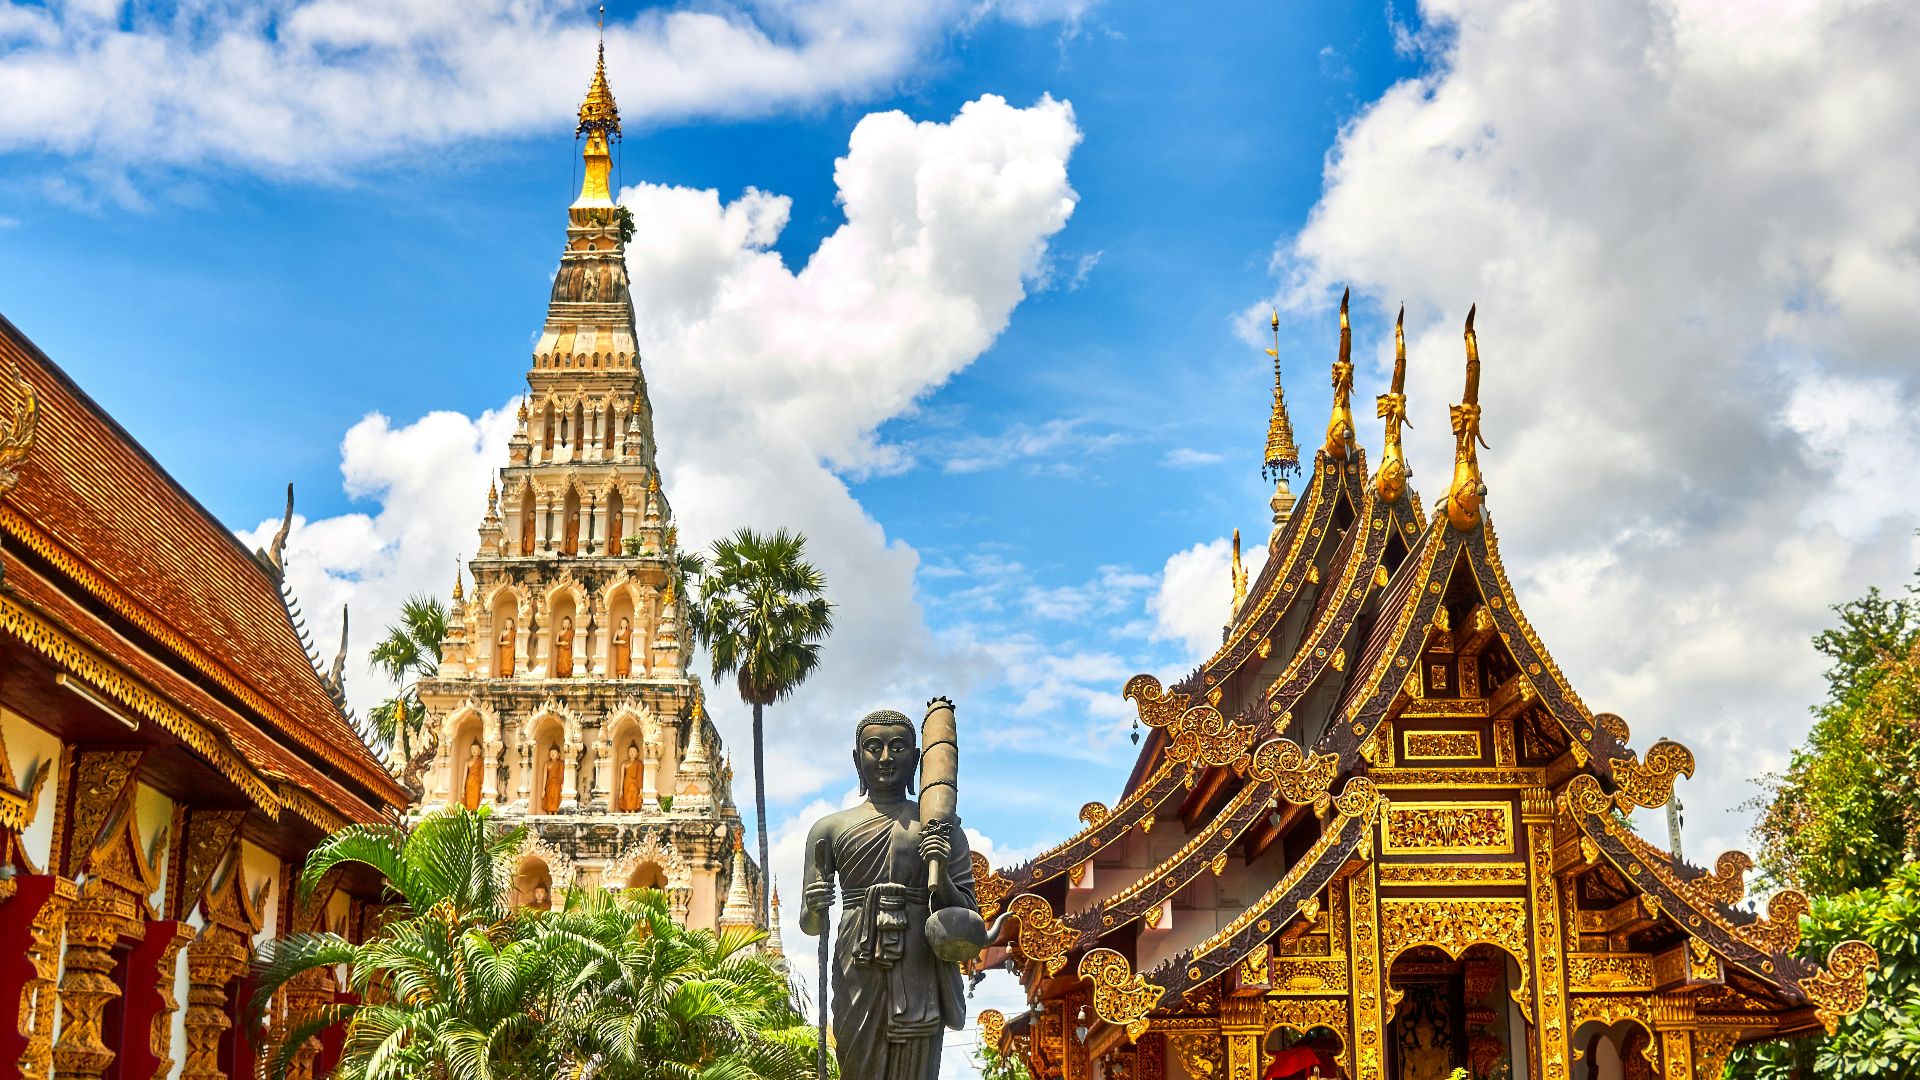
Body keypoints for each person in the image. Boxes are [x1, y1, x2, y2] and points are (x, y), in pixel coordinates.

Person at [801, 710, 977, 1080]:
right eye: (873, 748)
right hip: (857, 958)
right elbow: (810, 923)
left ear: (915, 759)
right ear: (856, 759)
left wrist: (940, 871)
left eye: (897, 748)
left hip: (918, 960)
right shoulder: (829, 829)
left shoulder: (942, 830)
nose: (885, 758)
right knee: (856, 1061)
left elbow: (966, 919)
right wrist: (817, 904)